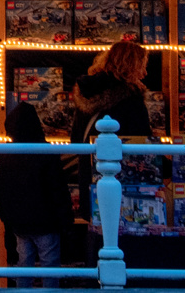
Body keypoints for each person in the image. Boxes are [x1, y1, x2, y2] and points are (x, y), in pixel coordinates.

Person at [69, 40, 152, 255]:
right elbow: (142, 145)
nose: (144, 72)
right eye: (142, 65)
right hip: (123, 183)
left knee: (97, 239)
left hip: (89, 178)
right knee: (122, 243)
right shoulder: (131, 98)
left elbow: (76, 140)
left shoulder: (86, 94)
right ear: (132, 65)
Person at [0, 101, 72, 289]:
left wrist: (7, 218)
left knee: (24, 265)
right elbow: (57, 190)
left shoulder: (6, 154)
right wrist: (66, 220)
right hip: (46, 222)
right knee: (50, 265)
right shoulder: (46, 152)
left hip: (19, 223)